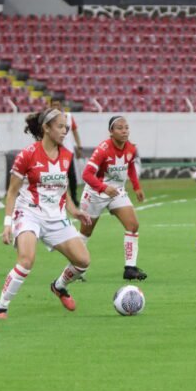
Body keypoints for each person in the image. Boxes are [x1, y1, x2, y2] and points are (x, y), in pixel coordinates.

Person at [0, 108, 92, 319]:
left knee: (83, 261)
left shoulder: (66, 155)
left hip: (56, 217)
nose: (65, 131)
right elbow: (11, 192)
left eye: (66, 126)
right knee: (27, 260)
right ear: (46, 128)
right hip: (29, 213)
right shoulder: (27, 155)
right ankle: (1, 307)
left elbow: (62, 187)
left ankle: (59, 286)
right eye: (60, 126)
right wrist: (7, 223)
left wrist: (74, 211)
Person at [80, 115, 147, 281]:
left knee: (133, 225)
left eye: (126, 127)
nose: (124, 131)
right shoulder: (103, 149)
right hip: (96, 193)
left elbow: (130, 165)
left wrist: (137, 187)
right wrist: (103, 187)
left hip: (117, 192)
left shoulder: (131, 148)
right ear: (111, 131)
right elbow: (86, 174)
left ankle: (130, 268)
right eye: (120, 128)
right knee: (86, 232)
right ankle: (77, 268)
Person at [51, 99, 83, 207]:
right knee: (56, 177)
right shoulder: (49, 119)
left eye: (57, 104)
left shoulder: (68, 117)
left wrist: (79, 146)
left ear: (61, 106)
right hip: (54, 151)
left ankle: (73, 197)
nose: (56, 106)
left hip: (68, 151)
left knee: (71, 176)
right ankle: (57, 199)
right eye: (53, 105)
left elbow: (75, 132)